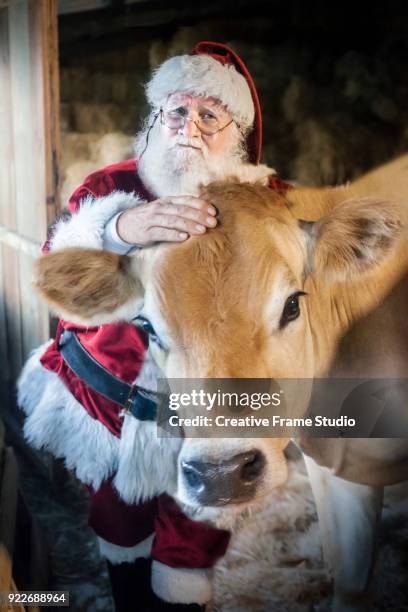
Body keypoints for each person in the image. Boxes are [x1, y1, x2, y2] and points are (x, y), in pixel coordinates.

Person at [17, 41, 290, 611]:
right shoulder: (107, 186)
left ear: (235, 131)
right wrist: (120, 229)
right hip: (110, 404)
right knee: (118, 525)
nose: (188, 127)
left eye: (209, 115)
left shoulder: (265, 203)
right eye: (177, 111)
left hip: (215, 402)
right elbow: (58, 269)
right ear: (155, 118)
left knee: (195, 535)